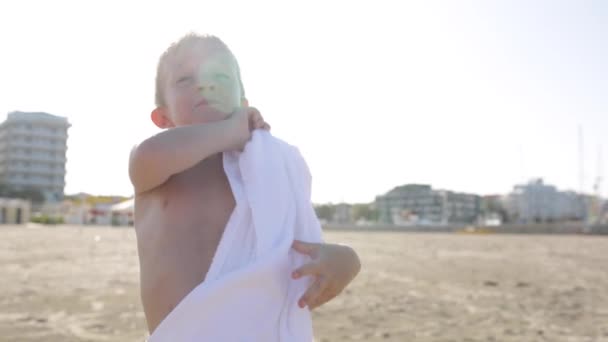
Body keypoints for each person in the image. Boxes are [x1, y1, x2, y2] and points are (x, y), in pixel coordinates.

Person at [128, 33, 361, 339]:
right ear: (163, 117)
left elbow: (283, 260)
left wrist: (345, 260)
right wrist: (231, 130)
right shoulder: (158, 168)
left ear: (243, 103)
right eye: (185, 79)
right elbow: (146, 157)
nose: (205, 84)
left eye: (220, 76)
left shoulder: (267, 169)